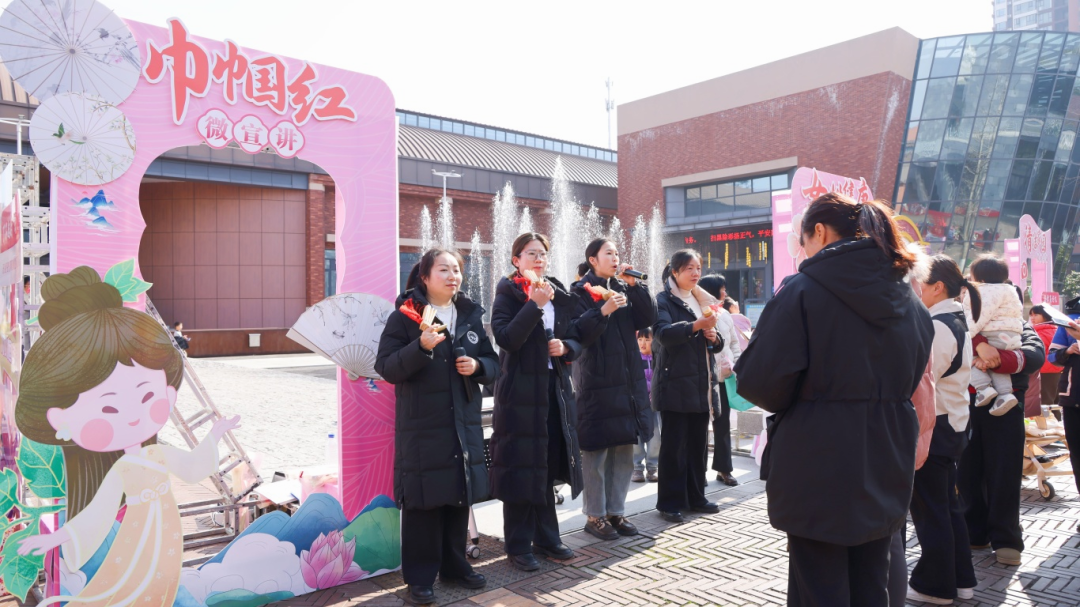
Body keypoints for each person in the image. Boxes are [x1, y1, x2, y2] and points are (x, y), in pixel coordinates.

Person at [734, 193, 933, 606]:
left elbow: (759, 383)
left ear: (820, 232)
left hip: (817, 461)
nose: (803, 251)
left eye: (804, 241)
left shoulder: (803, 291)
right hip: (887, 455)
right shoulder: (909, 298)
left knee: (819, 586)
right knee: (872, 582)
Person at [13, 267, 241, 607]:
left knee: (164, 583)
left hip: (167, 532)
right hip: (140, 534)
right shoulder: (121, 470)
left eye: (148, 396)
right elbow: (99, 512)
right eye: (108, 408)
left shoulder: (158, 455)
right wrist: (58, 538)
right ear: (60, 420)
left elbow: (193, 468)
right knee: (136, 584)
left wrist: (215, 435)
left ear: (168, 391)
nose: (133, 415)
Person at [374, 249, 498, 605]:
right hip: (423, 424)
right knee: (424, 500)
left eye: (456, 269)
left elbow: (493, 363)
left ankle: (455, 567)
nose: (452, 275)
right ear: (425, 277)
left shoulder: (469, 314)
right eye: (444, 269)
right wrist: (421, 346)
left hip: (463, 421)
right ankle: (419, 578)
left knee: (459, 495)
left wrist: (477, 366)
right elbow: (386, 367)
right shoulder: (405, 317)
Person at [489, 232, 584, 572]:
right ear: (516, 260)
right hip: (519, 393)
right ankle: (518, 545)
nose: (539, 258)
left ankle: (547, 538)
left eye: (542, 253)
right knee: (520, 467)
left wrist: (567, 347)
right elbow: (506, 339)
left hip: (553, 389)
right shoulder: (508, 293)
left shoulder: (556, 292)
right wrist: (534, 305)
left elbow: (576, 335)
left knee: (545, 463)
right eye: (531, 253)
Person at [570, 238, 657, 540]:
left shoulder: (623, 288)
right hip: (597, 382)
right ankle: (594, 516)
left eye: (617, 253)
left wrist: (636, 287)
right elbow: (576, 332)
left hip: (628, 381)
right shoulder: (579, 292)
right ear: (593, 260)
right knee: (595, 453)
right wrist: (602, 310)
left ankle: (615, 512)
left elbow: (648, 318)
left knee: (623, 449)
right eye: (609, 253)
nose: (615, 257)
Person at [906, 255, 980, 605]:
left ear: (937, 287)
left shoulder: (938, 325)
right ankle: (961, 580)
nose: (914, 289)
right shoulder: (952, 319)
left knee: (931, 509)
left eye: (918, 282)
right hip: (951, 424)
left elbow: (921, 378)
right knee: (946, 506)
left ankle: (934, 586)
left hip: (936, 427)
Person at [959, 273, 1043, 567]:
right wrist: (980, 342)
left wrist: (995, 357)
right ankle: (975, 531)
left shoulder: (1019, 325)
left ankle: (1006, 539)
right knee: (967, 472)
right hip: (966, 404)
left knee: (1004, 473)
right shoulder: (962, 320)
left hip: (1006, 407)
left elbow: (1034, 356)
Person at [652, 249, 724, 524]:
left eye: (698, 268)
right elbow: (662, 335)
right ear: (674, 271)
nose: (695, 273)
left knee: (698, 445)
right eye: (689, 269)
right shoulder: (663, 300)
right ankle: (669, 503)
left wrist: (713, 337)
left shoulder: (701, 299)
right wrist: (696, 325)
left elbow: (715, 343)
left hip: (702, 383)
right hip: (674, 384)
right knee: (674, 448)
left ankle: (696, 497)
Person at [965, 256, 1024, 416]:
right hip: (1011, 337)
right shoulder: (1009, 290)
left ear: (980, 279)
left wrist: (966, 334)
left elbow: (978, 316)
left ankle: (983, 388)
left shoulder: (985, 291)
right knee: (995, 364)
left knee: (966, 356)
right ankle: (1005, 394)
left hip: (993, 333)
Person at [698, 274, 742, 486]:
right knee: (699, 428)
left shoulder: (725, 315)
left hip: (723, 379)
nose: (725, 293)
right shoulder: (697, 312)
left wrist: (736, 364)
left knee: (722, 426)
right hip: (701, 380)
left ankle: (724, 469)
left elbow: (734, 343)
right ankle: (698, 471)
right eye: (722, 289)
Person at [1046, 298, 1080, 533]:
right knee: (1077, 454)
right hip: (1072, 399)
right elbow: (1051, 357)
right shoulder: (1067, 325)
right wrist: (1069, 349)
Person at [632, 328, 659, 483]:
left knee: (656, 435)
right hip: (638, 403)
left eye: (647, 340)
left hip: (654, 403)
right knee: (636, 436)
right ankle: (637, 468)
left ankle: (652, 467)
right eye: (640, 339)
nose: (643, 343)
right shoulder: (634, 358)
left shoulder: (658, 357)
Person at [1030, 304, 1060, 406]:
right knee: (1055, 403)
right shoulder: (1056, 330)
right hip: (1057, 370)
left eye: (1036, 315)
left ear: (1046, 315)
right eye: (1031, 315)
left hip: (1044, 371)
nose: (1032, 318)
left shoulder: (1039, 332)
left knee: (1045, 403)